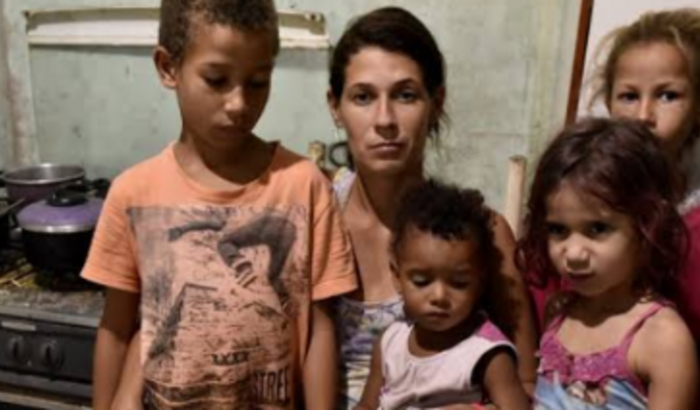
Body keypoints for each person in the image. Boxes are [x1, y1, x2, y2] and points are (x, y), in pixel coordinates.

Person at [81, 0, 357, 408]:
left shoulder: (304, 186)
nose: (239, 104)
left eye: (258, 82)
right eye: (216, 80)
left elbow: (320, 329)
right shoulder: (133, 193)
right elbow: (116, 331)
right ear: (168, 68)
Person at [327, 6, 538, 408]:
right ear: (335, 106)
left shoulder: (481, 233)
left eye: (405, 95)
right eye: (363, 97)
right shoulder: (318, 216)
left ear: (436, 102)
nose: (384, 119)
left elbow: (529, 380)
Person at [518, 118, 698, 409]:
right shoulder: (560, 310)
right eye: (558, 230)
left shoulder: (662, 338)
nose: (574, 253)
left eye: (597, 229)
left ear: (647, 226)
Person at [355, 179, 530, 410]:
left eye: (458, 283)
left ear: (480, 282)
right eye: (422, 281)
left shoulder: (486, 353)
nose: (439, 296)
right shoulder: (390, 343)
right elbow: (367, 406)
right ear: (397, 276)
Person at [594, 8, 700, 346]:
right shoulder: (581, 199)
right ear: (608, 102)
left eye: (668, 95)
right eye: (628, 96)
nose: (643, 115)